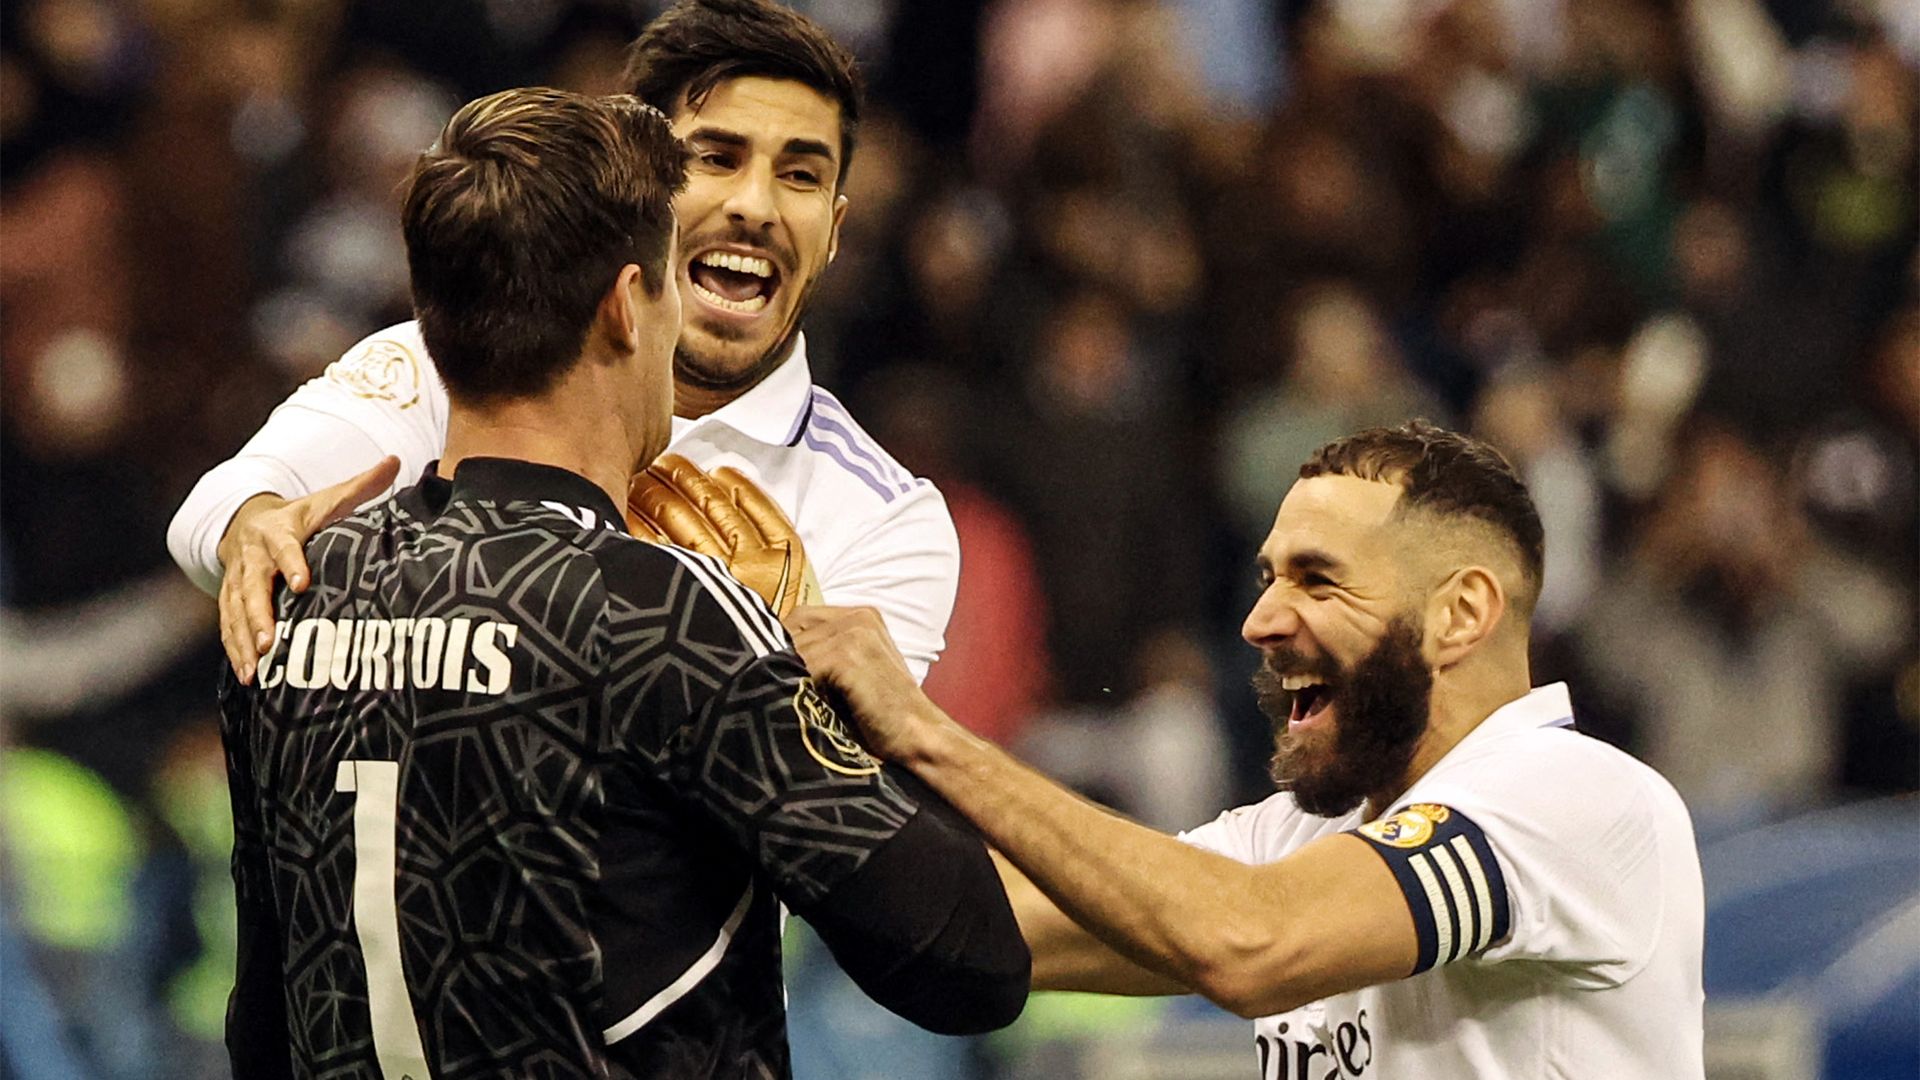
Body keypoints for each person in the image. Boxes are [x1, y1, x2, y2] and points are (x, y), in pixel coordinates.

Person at [220, 87, 1026, 1080]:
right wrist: (843, 702)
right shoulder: (663, 614)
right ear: (624, 306)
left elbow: (263, 1023)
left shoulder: (289, 591)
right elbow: (973, 966)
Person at [789, 421, 1706, 1079]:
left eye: (1318, 580)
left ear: (1460, 614)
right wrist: (767, 756)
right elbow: (968, 928)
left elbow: (1251, 941)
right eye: (1269, 578)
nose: (1261, 620)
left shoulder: (1572, 799)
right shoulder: (1296, 839)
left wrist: (927, 733)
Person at [168, 0, 959, 691]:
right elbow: (224, 509)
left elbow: (835, 781)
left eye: (801, 176)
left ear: (835, 229)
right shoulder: (455, 362)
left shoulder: (883, 518)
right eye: (717, 159)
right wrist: (256, 528)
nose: (757, 206)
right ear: (641, 187)